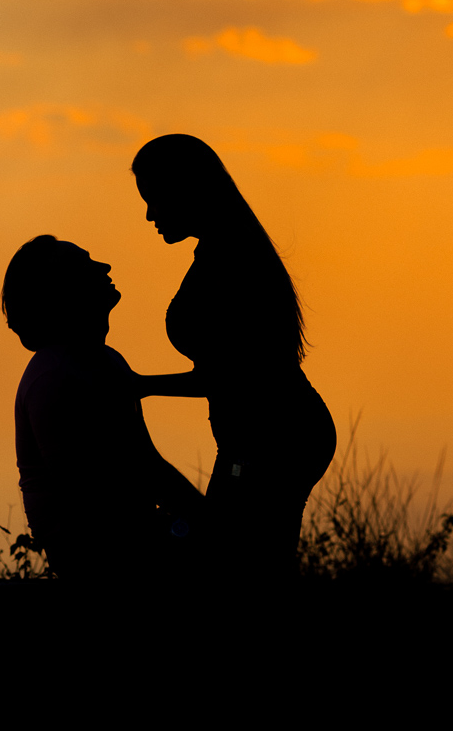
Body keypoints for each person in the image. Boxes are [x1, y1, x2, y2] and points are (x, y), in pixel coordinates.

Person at [129, 134, 336, 582]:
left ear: (184, 190)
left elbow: (231, 375)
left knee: (231, 567)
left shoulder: (231, 255)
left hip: (273, 440)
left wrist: (139, 385)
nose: (149, 214)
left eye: (154, 199)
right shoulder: (225, 249)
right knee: (244, 564)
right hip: (267, 438)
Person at [2, 235, 204, 581]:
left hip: (128, 542)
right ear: (62, 290)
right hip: (102, 560)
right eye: (85, 263)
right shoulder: (54, 377)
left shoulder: (103, 362)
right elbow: (86, 497)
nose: (104, 267)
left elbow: (147, 464)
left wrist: (205, 520)